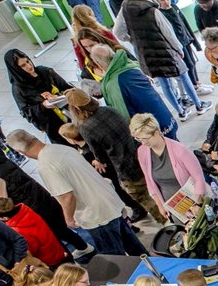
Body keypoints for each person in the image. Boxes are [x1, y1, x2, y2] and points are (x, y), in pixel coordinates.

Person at [5, 130, 142, 256]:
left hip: (96, 215)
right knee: (135, 247)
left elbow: (67, 196)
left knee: (117, 257)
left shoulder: (46, 166)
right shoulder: (61, 148)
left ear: (20, 151)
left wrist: (68, 218)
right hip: (109, 201)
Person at [115, 0, 209, 120]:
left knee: (165, 84)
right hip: (165, 50)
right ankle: (198, 105)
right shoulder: (152, 9)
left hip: (145, 54)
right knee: (183, 75)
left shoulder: (124, 11)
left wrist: (132, 39)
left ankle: (180, 111)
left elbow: (117, 32)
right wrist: (178, 48)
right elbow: (167, 32)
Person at [65, 89, 162, 222]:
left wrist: (97, 161)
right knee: (160, 189)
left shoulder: (86, 127)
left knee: (145, 198)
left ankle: (166, 223)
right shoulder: (109, 110)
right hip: (143, 155)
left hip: (126, 167)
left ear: (76, 108)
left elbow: (100, 156)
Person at [130, 113, 207, 222]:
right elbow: (150, 181)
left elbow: (198, 177)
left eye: (145, 139)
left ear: (156, 133)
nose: (143, 143)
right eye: (138, 139)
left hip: (193, 202)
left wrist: (198, 204)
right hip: (173, 206)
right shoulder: (142, 152)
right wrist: (160, 205)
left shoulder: (180, 150)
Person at [92, 45, 178, 138]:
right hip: (165, 119)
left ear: (98, 63)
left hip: (151, 131)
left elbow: (124, 116)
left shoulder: (114, 84)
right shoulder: (130, 65)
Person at [4, 50, 72, 143]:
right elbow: (26, 112)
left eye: (27, 61)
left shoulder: (45, 72)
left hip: (70, 114)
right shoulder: (18, 88)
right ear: (16, 69)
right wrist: (43, 105)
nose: (29, 66)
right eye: (23, 66)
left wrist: (57, 96)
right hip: (52, 124)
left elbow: (66, 88)